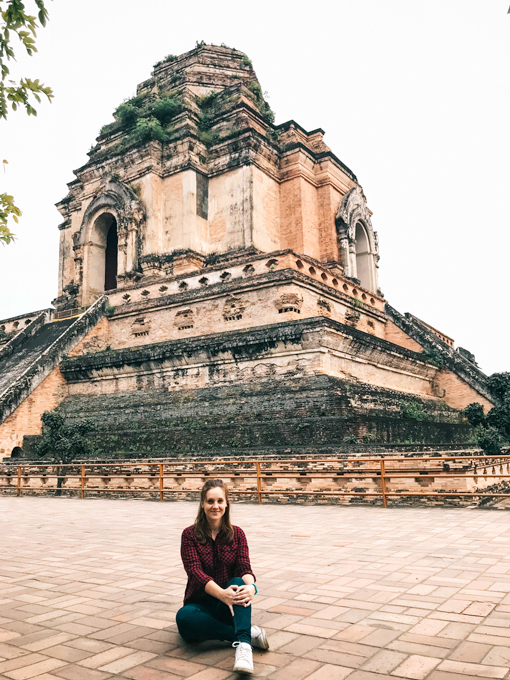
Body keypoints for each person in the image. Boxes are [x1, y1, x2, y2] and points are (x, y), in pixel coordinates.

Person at [176, 479, 269, 674]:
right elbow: (195, 572)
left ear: (227, 504)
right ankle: (245, 634)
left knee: (238, 582)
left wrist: (252, 587)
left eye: (220, 501)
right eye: (210, 501)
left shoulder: (237, 534)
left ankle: (244, 648)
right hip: (200, 603)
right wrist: (220, 594)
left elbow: (245, 567)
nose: (215, 506)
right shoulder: (189, 535)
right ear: (202, 504)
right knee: (184, 620)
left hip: (228, 606)